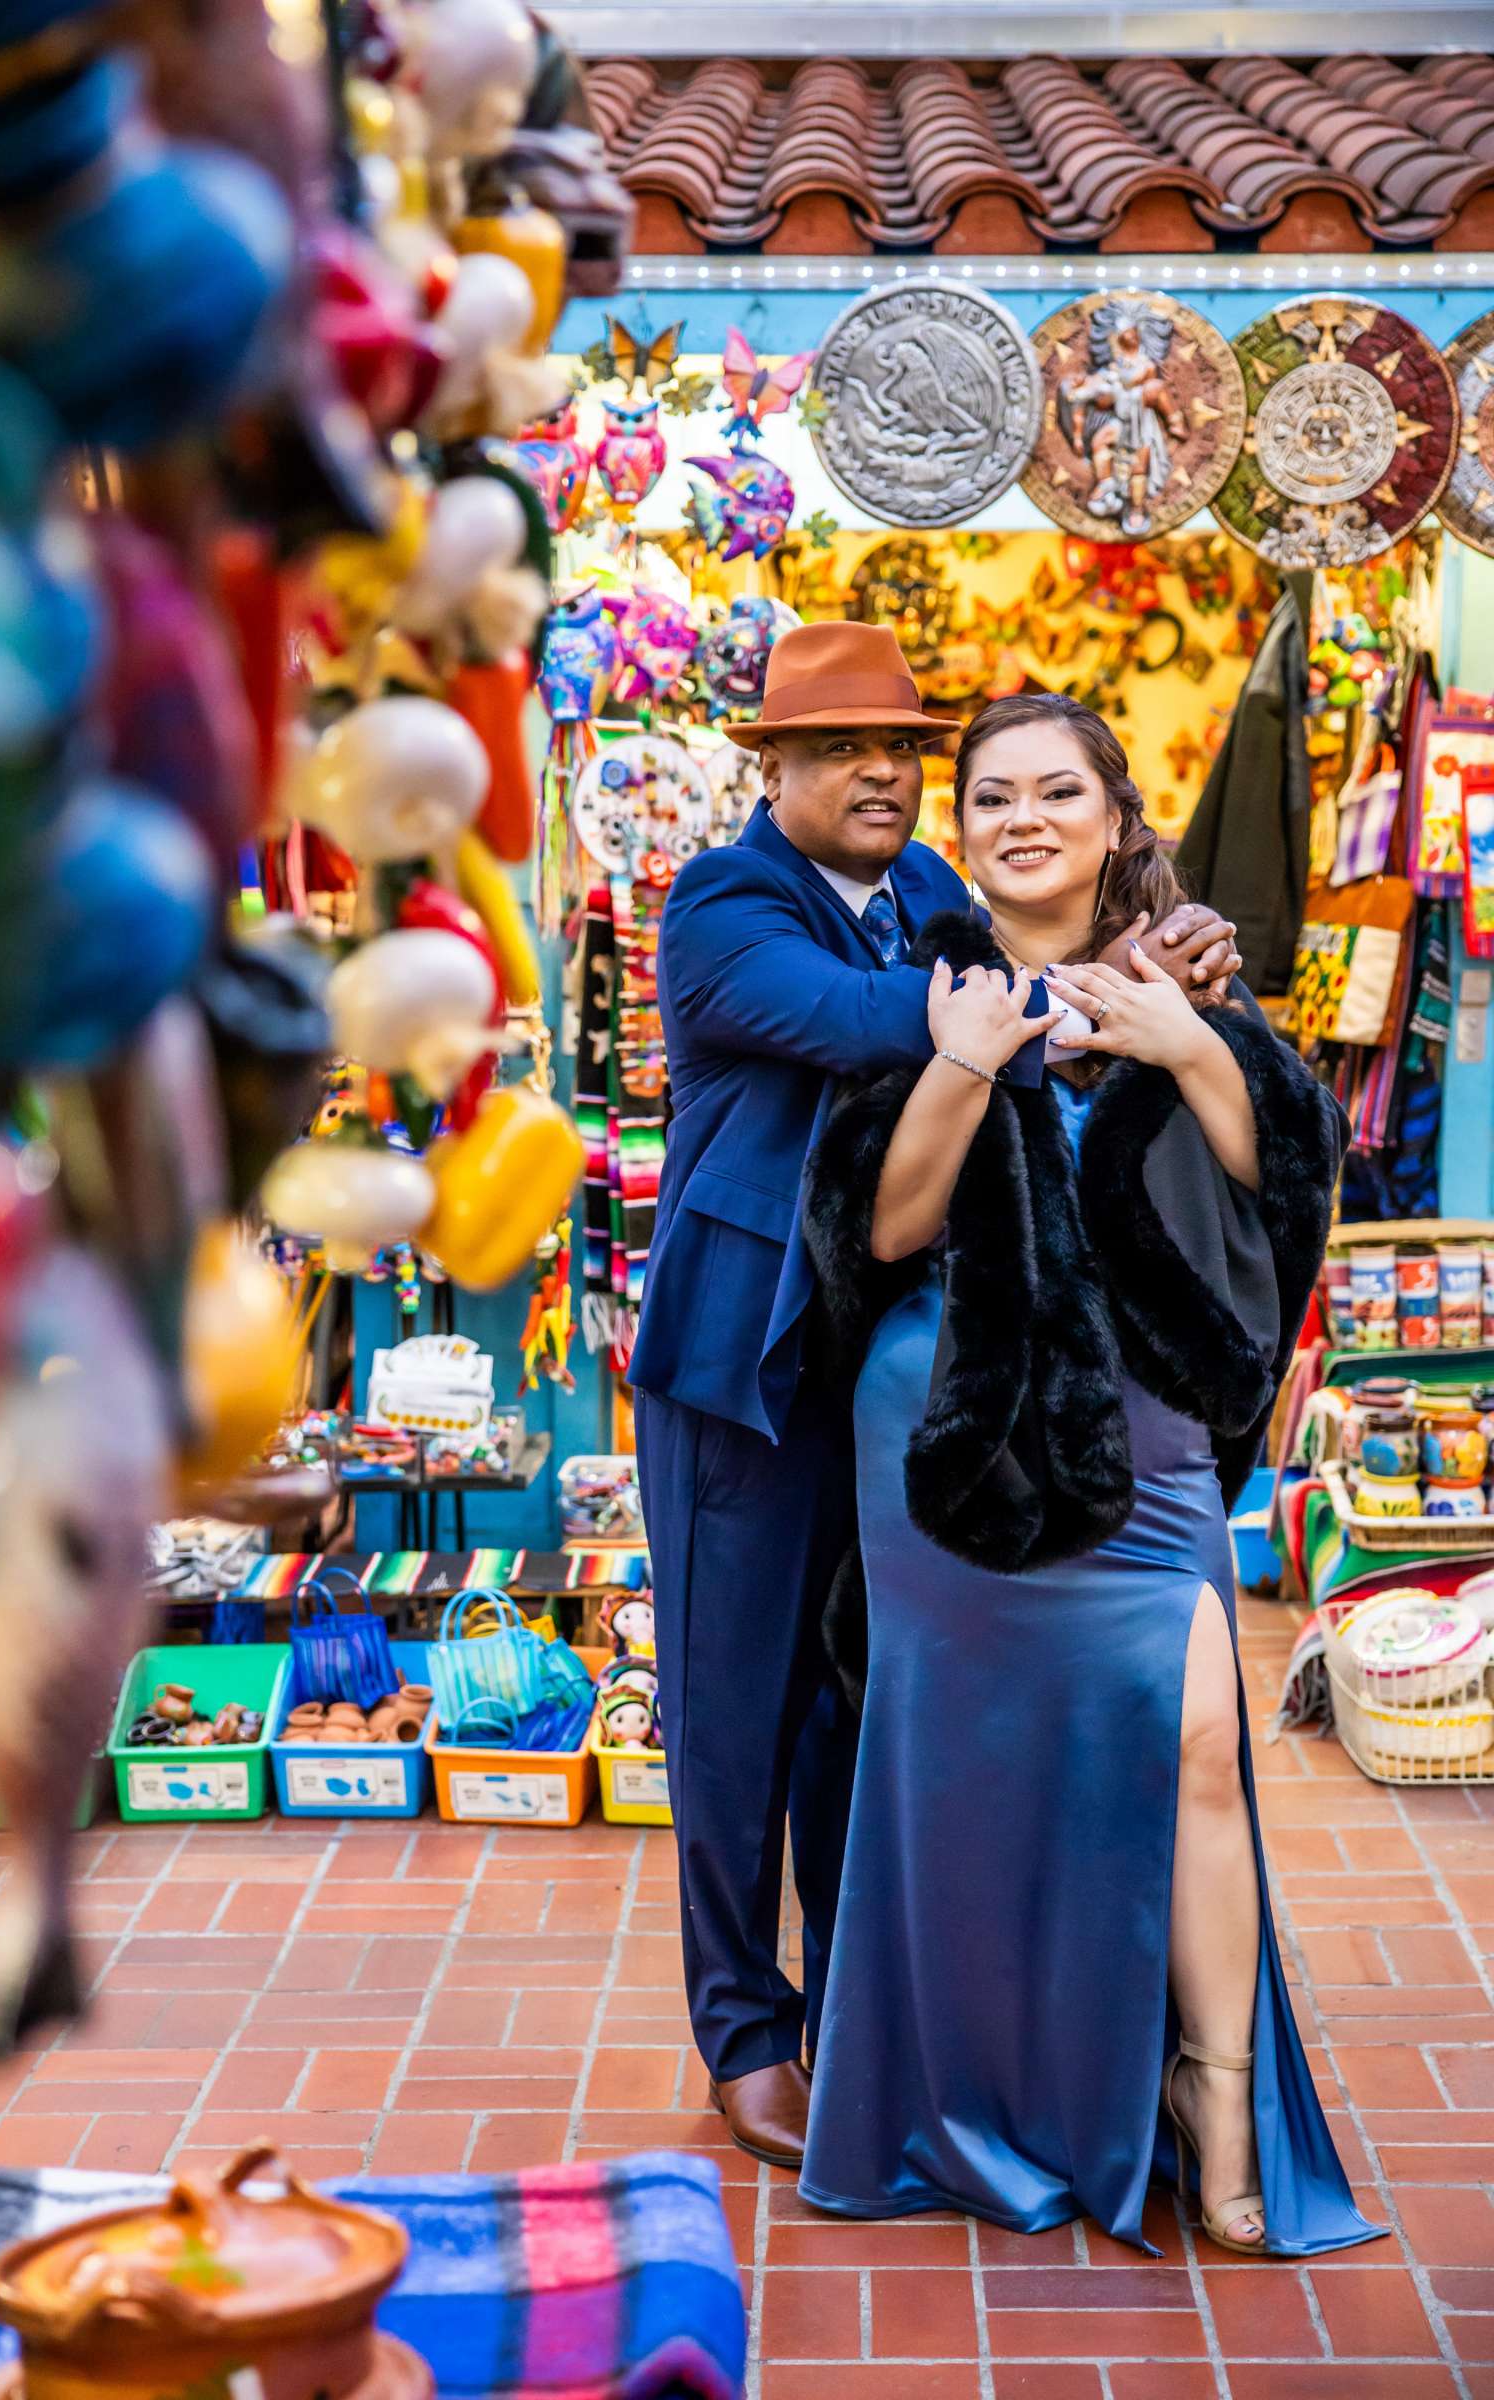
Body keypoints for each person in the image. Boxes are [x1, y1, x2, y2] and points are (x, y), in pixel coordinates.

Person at [631, 625, 1242, 2173]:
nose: (882, 772)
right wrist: (1082, 996)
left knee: (859, 1697)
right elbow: (872, 1028)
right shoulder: (723, 903)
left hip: (891, 1363)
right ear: (772, 767)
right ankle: (743, 2032)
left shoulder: (925, 898)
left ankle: (855, 2009)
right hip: (747, 1377)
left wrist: (1156, 959)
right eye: (841, 748)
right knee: (732, 1719)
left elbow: (1025, 985)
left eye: (903, 746)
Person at [798, 692, 1383, 2257]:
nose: (1023, 818)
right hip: (953, 1440)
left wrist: (1192, 1045)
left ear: (1118, 819)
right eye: (992, 797)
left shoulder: (1187, 977)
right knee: (970, 1782)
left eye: (1059, 791)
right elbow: (882, 1231)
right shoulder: (919, 989)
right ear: (963, 830)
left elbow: (1289, 1186)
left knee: (1196, 1746)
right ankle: (992, 2092)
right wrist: (962, 1065)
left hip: (1150, 1442)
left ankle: (1211, 2089)